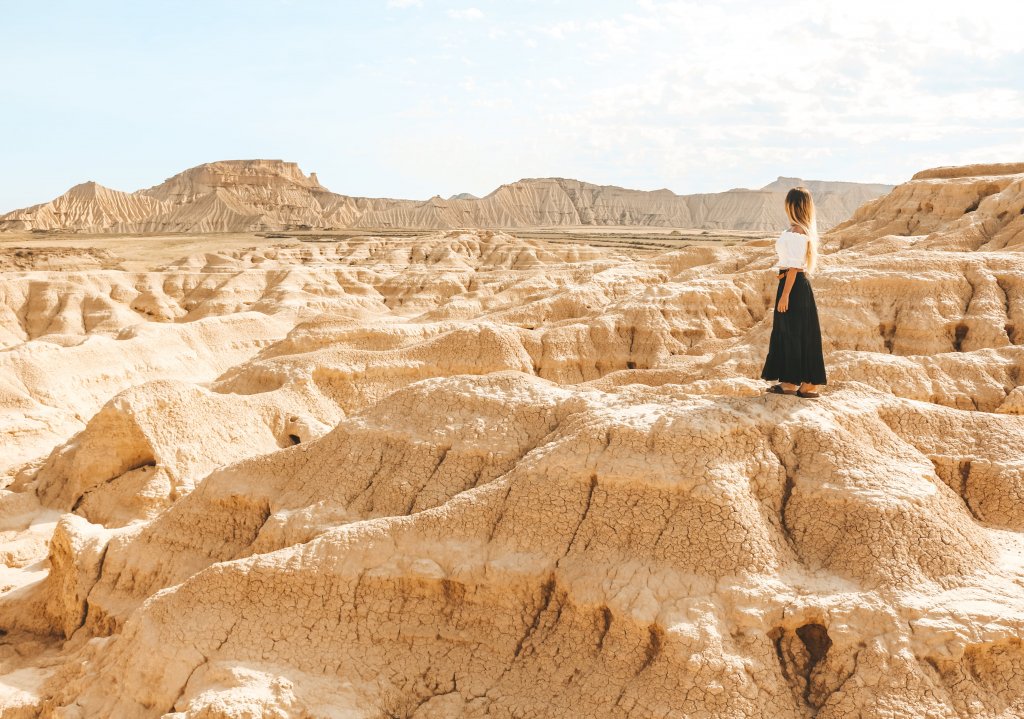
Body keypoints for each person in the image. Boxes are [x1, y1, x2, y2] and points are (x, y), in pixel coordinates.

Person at [761, 186, 827, 398]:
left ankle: (804, 384)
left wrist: (785, 294)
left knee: (794, 331)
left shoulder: (798, 232)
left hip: (794, 285)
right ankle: (791, 382)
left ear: (793, 206)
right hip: (793, 284)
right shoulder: (796, 230)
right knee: (792, 331)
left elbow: (794, 267)